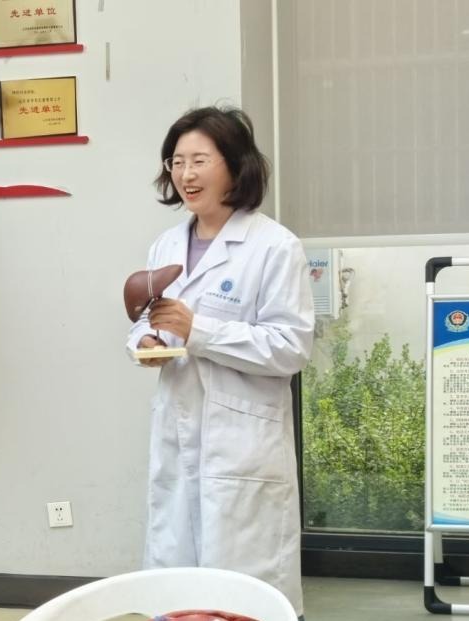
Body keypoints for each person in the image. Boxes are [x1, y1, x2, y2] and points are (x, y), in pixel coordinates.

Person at [126, 106, 314, 619]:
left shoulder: (274, 247)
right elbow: (148, 319)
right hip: (178, 432)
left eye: (199, 160)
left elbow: (291, 346)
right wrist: (146, 341)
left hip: (242, 445)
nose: (185, 174)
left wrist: (200, 332)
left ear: (234, 165)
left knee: (244, 593)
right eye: (176, 161)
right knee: (176, 585)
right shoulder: (167, 244)